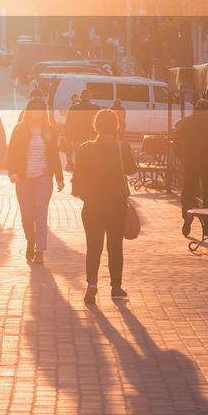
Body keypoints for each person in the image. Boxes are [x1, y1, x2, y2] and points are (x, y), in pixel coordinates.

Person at [72, 109, 131, 303]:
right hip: (116, 204)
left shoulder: (85, 148)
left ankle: (92, 284)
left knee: (93, 247)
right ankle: (116, 287)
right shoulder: (122, 147)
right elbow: (131, 169)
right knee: (115, 246)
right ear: (115, 125)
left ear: (95, 125)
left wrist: (79, 190)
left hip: (92, 204)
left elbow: (78, 174)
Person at [7, 97, 65, 265]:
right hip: (23, 179)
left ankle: (40, 250)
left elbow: (54, 154)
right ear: (29, 110)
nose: (37, 112)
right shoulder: (20, 129)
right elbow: (12, 153)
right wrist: (13, 173)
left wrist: (59, 178)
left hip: (43, 178)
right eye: (34, 108)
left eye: (40, 108)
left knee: (40, 214)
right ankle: (30, 240)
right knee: (27, 214)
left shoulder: (50, 130)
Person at [171, 99, 208, 237]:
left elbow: (176, 142)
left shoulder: (186, 122)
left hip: (191, 162)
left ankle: (187, 218)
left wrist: (182, 156)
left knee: (188, 190)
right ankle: (207, 224)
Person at [64, 88, 98, 171]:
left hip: (77, 137)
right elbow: (98, 123)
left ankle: (78, 174)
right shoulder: (95, 107)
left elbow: (68, 123)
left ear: (81, 96)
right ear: (90, 96)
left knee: (78, 156)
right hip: (91, 137)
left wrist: (67, 136)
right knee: (90, 157)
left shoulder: (73, 108)